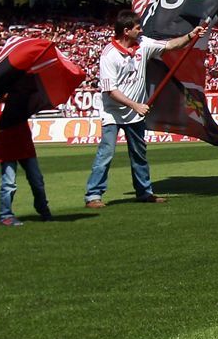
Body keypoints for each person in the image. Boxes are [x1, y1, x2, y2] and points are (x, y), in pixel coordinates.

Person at [84, 11, 203, 208]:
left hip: (135, 114)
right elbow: (110, 91)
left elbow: (170, 45)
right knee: (106, 154)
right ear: (126, 30)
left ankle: (144, 192)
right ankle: (93, 195)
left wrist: (191, 35)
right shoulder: (109, 55)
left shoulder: (144, 44)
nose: (141, 30)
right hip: (113, 112)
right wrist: (135, 105)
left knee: (139, 154)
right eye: (137, 27)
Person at [0, 93, 51, 226]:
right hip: (6, 145)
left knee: (37, 181)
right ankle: (5, 215)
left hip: (23, 143)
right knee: (9, 183)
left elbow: (33, 106)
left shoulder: (21, 93)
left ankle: (43, 209)